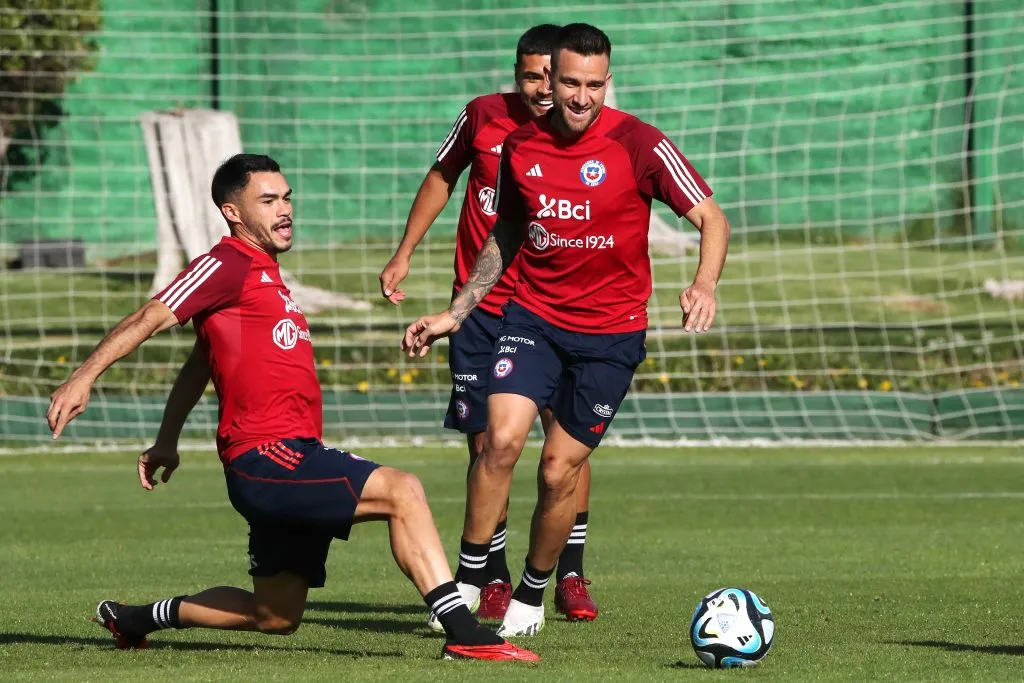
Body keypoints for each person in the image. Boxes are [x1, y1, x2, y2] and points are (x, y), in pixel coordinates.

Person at [46, 154, 538, 663]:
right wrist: (83, 376)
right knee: (402, 490)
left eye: (287, 198)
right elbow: (152, 313)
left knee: (276, 616)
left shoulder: (264, 275)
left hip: (291, 452)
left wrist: (168, 438)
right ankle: (463, 631)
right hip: (266, 457)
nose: (285, 210)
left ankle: (134, 619)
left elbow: (201, 362)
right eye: (268, 200)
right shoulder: (225, 263)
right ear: (233, 212)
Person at [402, 23, 730, 637]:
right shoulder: (520, 145)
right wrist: (462, 308)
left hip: (611, 336)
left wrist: (704, 284)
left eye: (594, 85)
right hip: (533, 319)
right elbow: (506, 232)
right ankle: (470, 583)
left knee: (557, 471)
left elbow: (712, 216)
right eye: (570, 83)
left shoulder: (640, 144)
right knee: (497, 443)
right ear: (551, 77)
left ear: (609, 82)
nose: (581, 97)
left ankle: (533, 590)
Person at [380, 24, 598, 623]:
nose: (545, 88)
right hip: (477, 311)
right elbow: (441, 178)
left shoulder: (586, 136)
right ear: (517, 74)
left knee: (565, 447)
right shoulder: (482, 117)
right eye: (532, 76)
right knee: (487, 444)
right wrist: (404, 252)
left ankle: (570, 571)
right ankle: (491, 575)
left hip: (549, 311)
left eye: (553, 76)